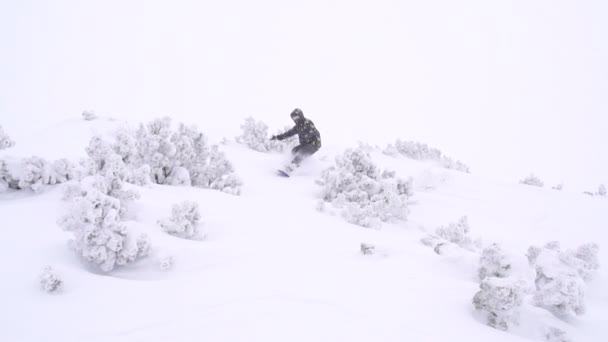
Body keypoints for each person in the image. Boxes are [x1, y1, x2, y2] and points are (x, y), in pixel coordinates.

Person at [271, 108, 321, 173]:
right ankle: (289, 165)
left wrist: (306, 132)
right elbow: (288, 133)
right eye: (294, 118)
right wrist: (278, 137)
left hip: (314, 144)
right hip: (305, 144)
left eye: (297, 117)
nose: (295, 119)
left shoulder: (308, 123)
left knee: (302, 152)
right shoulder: (297, 127)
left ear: (301, 115)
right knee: (294, 150)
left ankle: (290, 168)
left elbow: (313, 132)